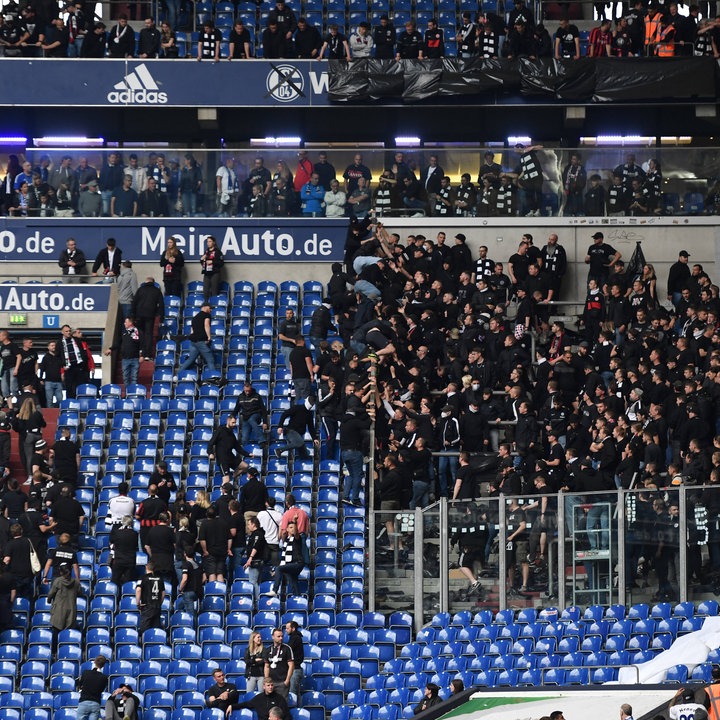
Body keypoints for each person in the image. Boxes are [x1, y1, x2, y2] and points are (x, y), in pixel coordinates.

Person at [175, 302, 217, 376]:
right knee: (210, 359)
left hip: (193, 341)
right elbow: (206, 325)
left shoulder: (195, 317)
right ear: (205, 307)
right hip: (201, 341)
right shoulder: (207, 315)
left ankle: (178, 375)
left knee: (191, 359)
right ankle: (213, 377)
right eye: (210, 308)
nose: (211, 310)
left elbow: (192, 330)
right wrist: (209, 337)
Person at [48, 563, 82, 650]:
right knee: (68, 631)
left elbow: (51, 593)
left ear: (60, 572)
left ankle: (55, 651)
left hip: (59, 610)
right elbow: (80, 592)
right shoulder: (76, 582)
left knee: (56, 630)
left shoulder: (58, 581)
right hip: (71, 610)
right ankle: (66, 649)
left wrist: (49, 600)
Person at [131, 277, 165, 360]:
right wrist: (161, 318)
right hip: (150, 315)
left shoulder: (140, 290)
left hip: (139, 315)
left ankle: (140, 351)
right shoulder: (157, 291)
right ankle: (147, 354)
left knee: (140, 333)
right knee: (149, 334)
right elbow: (161, 305)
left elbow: (134, 303)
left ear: (146, 282)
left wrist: (133, 316)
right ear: (153, 282)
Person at [105, 317, 142, 387]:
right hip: (125, 359)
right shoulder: (124, 332)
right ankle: (128, 394)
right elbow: (118, 342)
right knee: (125, 378)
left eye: (126, 322)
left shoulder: (138, 332)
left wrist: (142, 355)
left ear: (130, 323)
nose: (124, 323)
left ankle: (133, 394)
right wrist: (111, 349)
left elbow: (142, 343)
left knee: (134, 378)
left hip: (135, 358)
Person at [271, 521, 305, 598]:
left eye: (293, 527)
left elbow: (296, 532)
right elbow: (284, 556)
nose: (292, 529)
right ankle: (297, 598)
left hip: (297, 563)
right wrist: (276, 570)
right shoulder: (286, 540)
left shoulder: (297, 538)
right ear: (287, 529)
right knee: (293, 582)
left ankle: (275, 590)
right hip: (291, 564)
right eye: (290, 527)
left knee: (279, 569)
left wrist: (295, 521)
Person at [208, 415, 242, 484]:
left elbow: (238, 447)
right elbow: (211, 442)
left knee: (245, 466)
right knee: (226, 481)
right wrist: (210, 453)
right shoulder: (220, 430)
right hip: (222, 459)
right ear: (228, 421)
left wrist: (248, 454)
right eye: (233, 422)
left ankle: (232, 477)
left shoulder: (232, 434)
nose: (234, 424)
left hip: (230, 457)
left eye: (235, 423)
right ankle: (223, 492)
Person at [263, 627, 295, 698]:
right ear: (273, 637)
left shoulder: (287, 648)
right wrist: (266, 680)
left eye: (282, 636)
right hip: (271, 683)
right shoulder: (268, 649)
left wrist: (287, 680)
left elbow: (291, 666)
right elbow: (266, 666)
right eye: (278, 636)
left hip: (282, 682)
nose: (281, 638)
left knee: (282, 704)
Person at [135, 560, 165, 636]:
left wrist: (138, 603)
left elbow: (138, 590)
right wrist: (159, 603)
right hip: (157, 606)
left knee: (145, 629)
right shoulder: (160, 578)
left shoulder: (143, 578)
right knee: (155, 629)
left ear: (146, 568)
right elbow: (163, 593)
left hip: (147, 606)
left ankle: (145, 645)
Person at [77, 655, 109, 720]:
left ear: (94, 661)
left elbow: (80, 685)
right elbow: (102, 690)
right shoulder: (104, 677)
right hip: (96, 703)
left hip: (84, 701)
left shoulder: (86, 673)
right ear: (103, 665)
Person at [244, 516, 267, 604]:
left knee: (253, 581)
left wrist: (250, 558)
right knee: (257, 581)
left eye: (249, 524)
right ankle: (259, 601)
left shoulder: (257, 534)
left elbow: (255, 546)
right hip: (257, 560)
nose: (248, 526)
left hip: (255, 561)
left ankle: (258, 601)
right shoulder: (258, 533)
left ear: (254, 524)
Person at [109, 515, 138, 586]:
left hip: (119, 560)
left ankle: (116, 596)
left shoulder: (117, 533)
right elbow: (135, 545)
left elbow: (111, 543)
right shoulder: (134, 534)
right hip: (130, 561)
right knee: (128, 582)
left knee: (115, 581)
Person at [285, 621, 305, 698]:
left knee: (292, 693)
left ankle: (293, 710)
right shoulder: (295, 637)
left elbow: (287, 649)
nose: (286, 630)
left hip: (295, 669)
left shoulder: (295, 638)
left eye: (287, 628)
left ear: (293, 628)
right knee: (297, 693)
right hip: (296, 669)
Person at [200, 236, 224, 301]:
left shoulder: (217, 252)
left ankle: (214, 305)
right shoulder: (206, 252)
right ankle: (206, 305)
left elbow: (221, 263)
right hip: (207, 273)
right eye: (207, 241)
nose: (208, 243)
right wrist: (202, 260)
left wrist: (212, 262)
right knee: (205, 291)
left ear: (213, 242)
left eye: (210, 241)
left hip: (215, 273)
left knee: (214, 290)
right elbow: (203, 264)